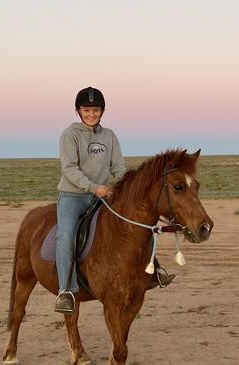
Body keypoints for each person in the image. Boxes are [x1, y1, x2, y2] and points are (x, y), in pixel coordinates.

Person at [55, 86, 174, 314]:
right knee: (66, 234)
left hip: (104, 195)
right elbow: (69, 168)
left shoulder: (109, 136)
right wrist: (93, 187)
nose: (92, 114)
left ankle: (153, 271)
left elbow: (118, 168)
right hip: (74, 195)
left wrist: (126, 190)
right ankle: (65, 291)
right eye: (87, 109)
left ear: (102, 111)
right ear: (78, 110)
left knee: (140, 223)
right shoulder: (69, 135)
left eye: (96, 110)